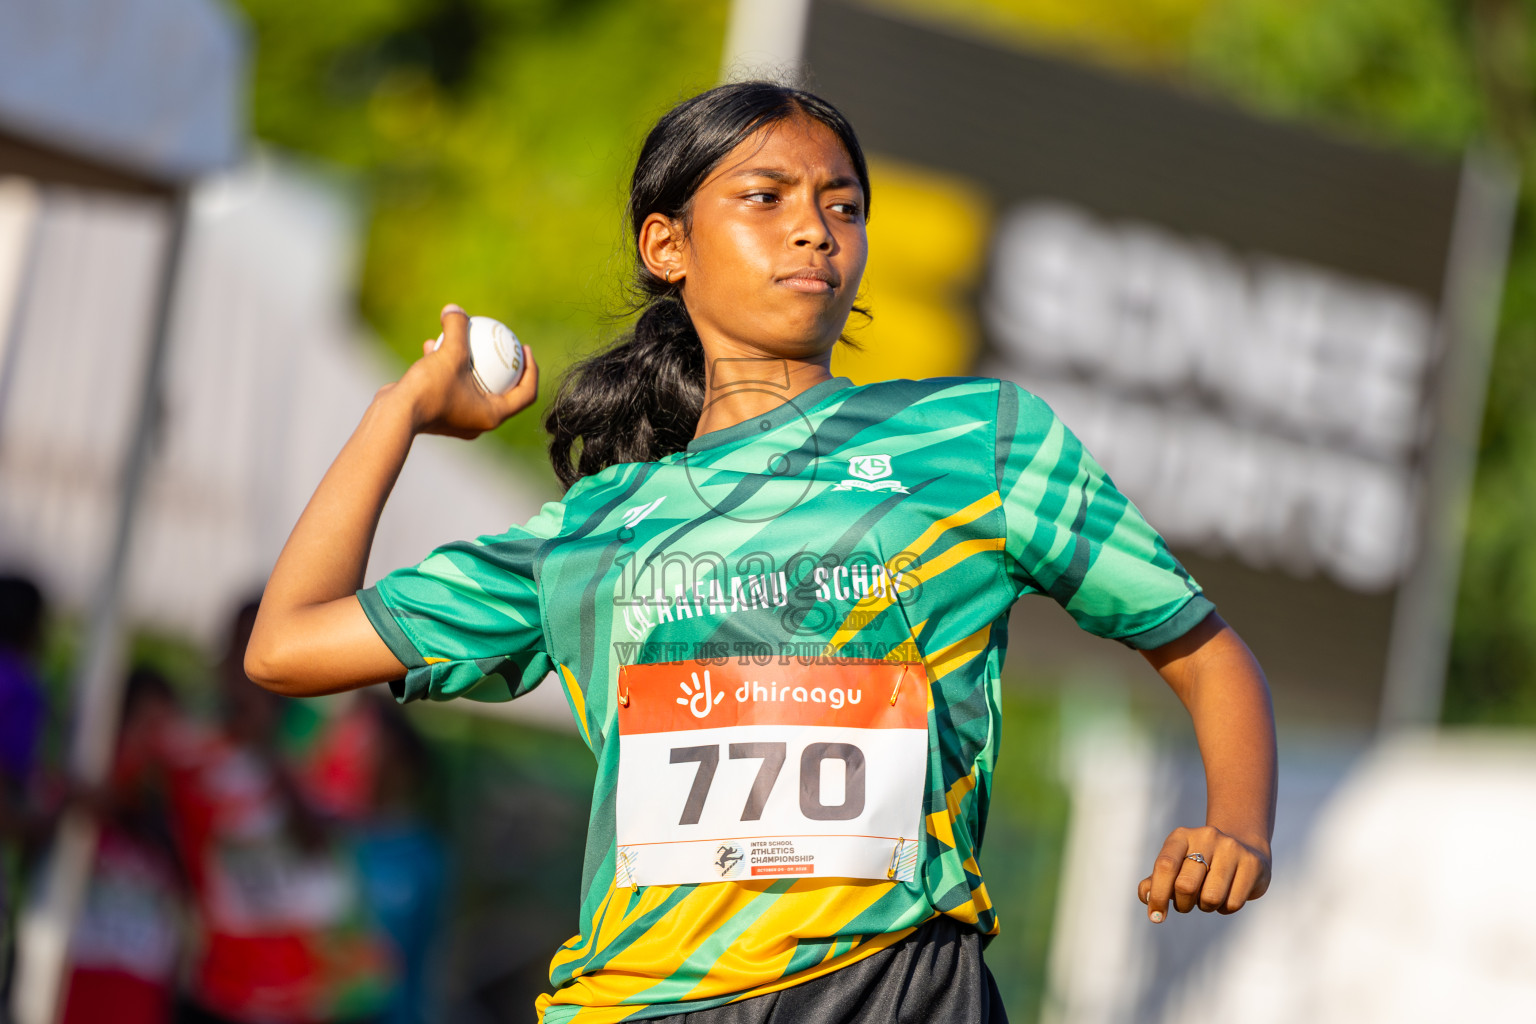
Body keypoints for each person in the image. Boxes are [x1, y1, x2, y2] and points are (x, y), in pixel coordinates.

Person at [246, 81, 1277, 1022]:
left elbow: (1204, 650)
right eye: (766, 197)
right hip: (638, 1002)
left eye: (843, 206)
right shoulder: (595, 528)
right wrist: (399, 411)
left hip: (893, 987)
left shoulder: (979, 441)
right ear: (667, 245)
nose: (815, 230)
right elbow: (285, 647)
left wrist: (1238, 825)